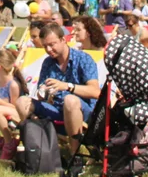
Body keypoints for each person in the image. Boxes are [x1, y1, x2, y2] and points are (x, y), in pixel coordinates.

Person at [14, 23, 100, 154]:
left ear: (63, 40)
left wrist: (67, 86)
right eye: (45, 46)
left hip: (82, 112)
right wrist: (44, 92)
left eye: (52, 44)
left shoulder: (83, 59)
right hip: (56, 109)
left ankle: (75, 156)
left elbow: (95, 92)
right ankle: (39, 148)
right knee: (22, 102)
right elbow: (40, 94)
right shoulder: (48, 62)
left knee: (70, 100)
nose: (48, 49)